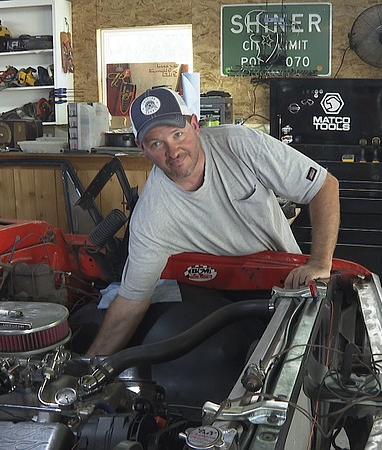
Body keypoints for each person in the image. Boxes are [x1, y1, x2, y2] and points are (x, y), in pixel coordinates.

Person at [85, 87, 339, 356]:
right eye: (157, 143)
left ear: (194, 124)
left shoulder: (240, 145)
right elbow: (132, 303)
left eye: (178, 134)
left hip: (285, 283)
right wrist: (87, 369)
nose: (174, 152)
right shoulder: (151, 218)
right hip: (212, 298)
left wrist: (320, 262)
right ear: (142, 148)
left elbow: (323, 186)